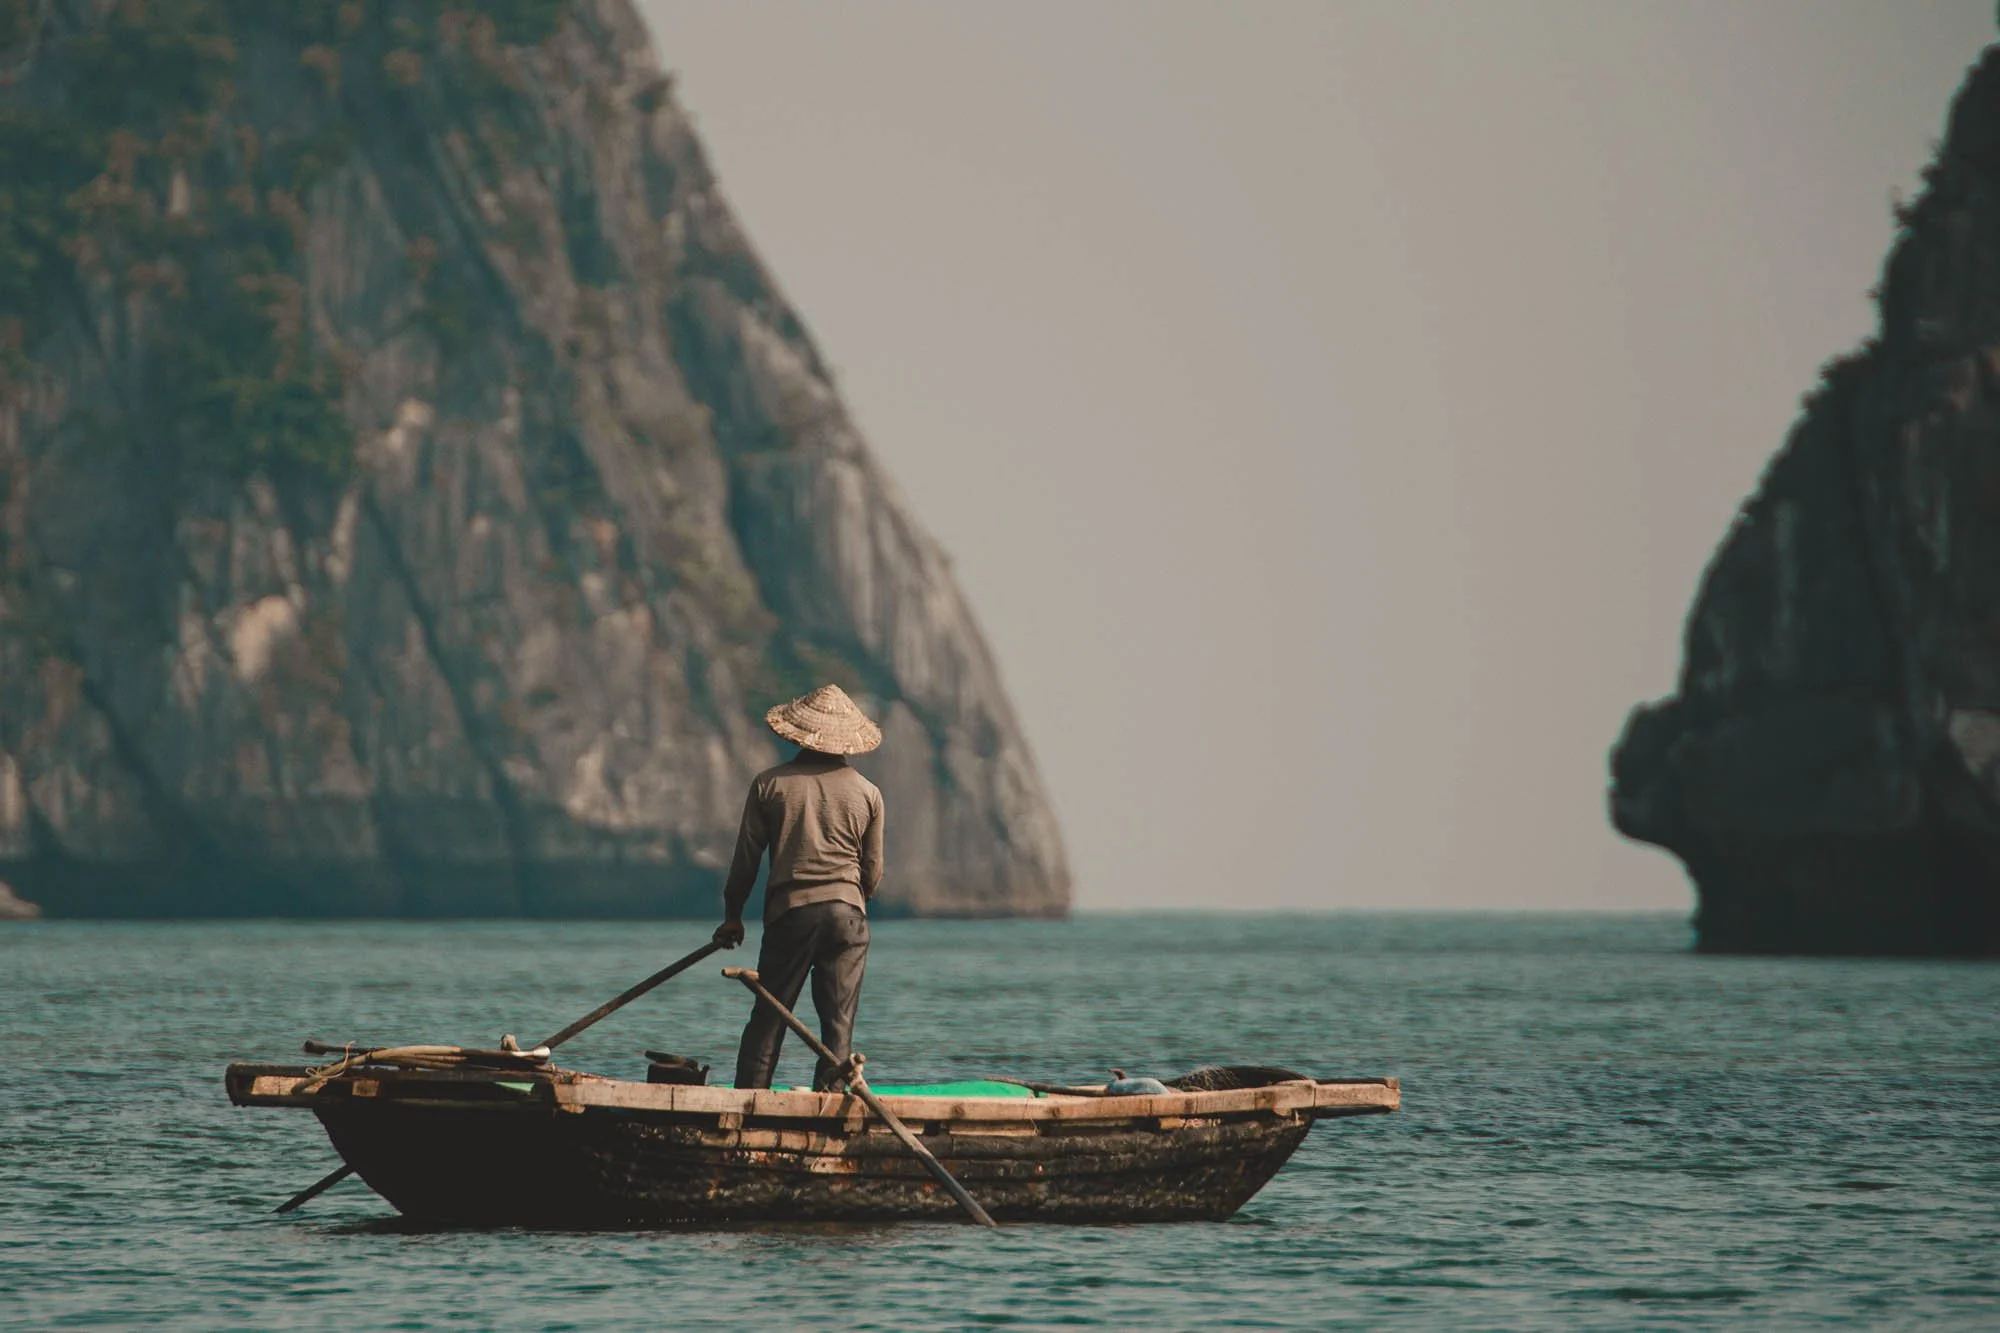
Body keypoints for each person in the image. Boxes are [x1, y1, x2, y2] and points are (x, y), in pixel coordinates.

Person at [713, 683, 885, 1090]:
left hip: (791, 916)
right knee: (837, 1027)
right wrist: (852, 905)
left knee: (769, 1019)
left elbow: (745, 864)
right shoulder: (868, 794)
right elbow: (872, 874)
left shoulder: (769, 785)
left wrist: (733, 918)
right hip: (849, 918)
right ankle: (829, 1108)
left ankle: (749, 1103)